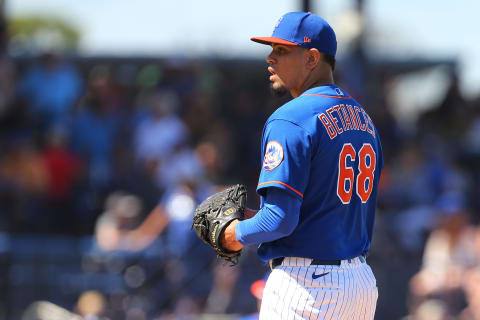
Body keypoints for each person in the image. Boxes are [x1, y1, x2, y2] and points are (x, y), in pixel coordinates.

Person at [220, 12, 383, 319]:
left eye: (282, 51)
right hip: (359, 284)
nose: (270, 58)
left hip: (308, 286)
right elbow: (326, 207)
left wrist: (234, 233)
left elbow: (279, 220)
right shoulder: (364, 120)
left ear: (311, 58)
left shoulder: (290, 117)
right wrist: (257, 217)